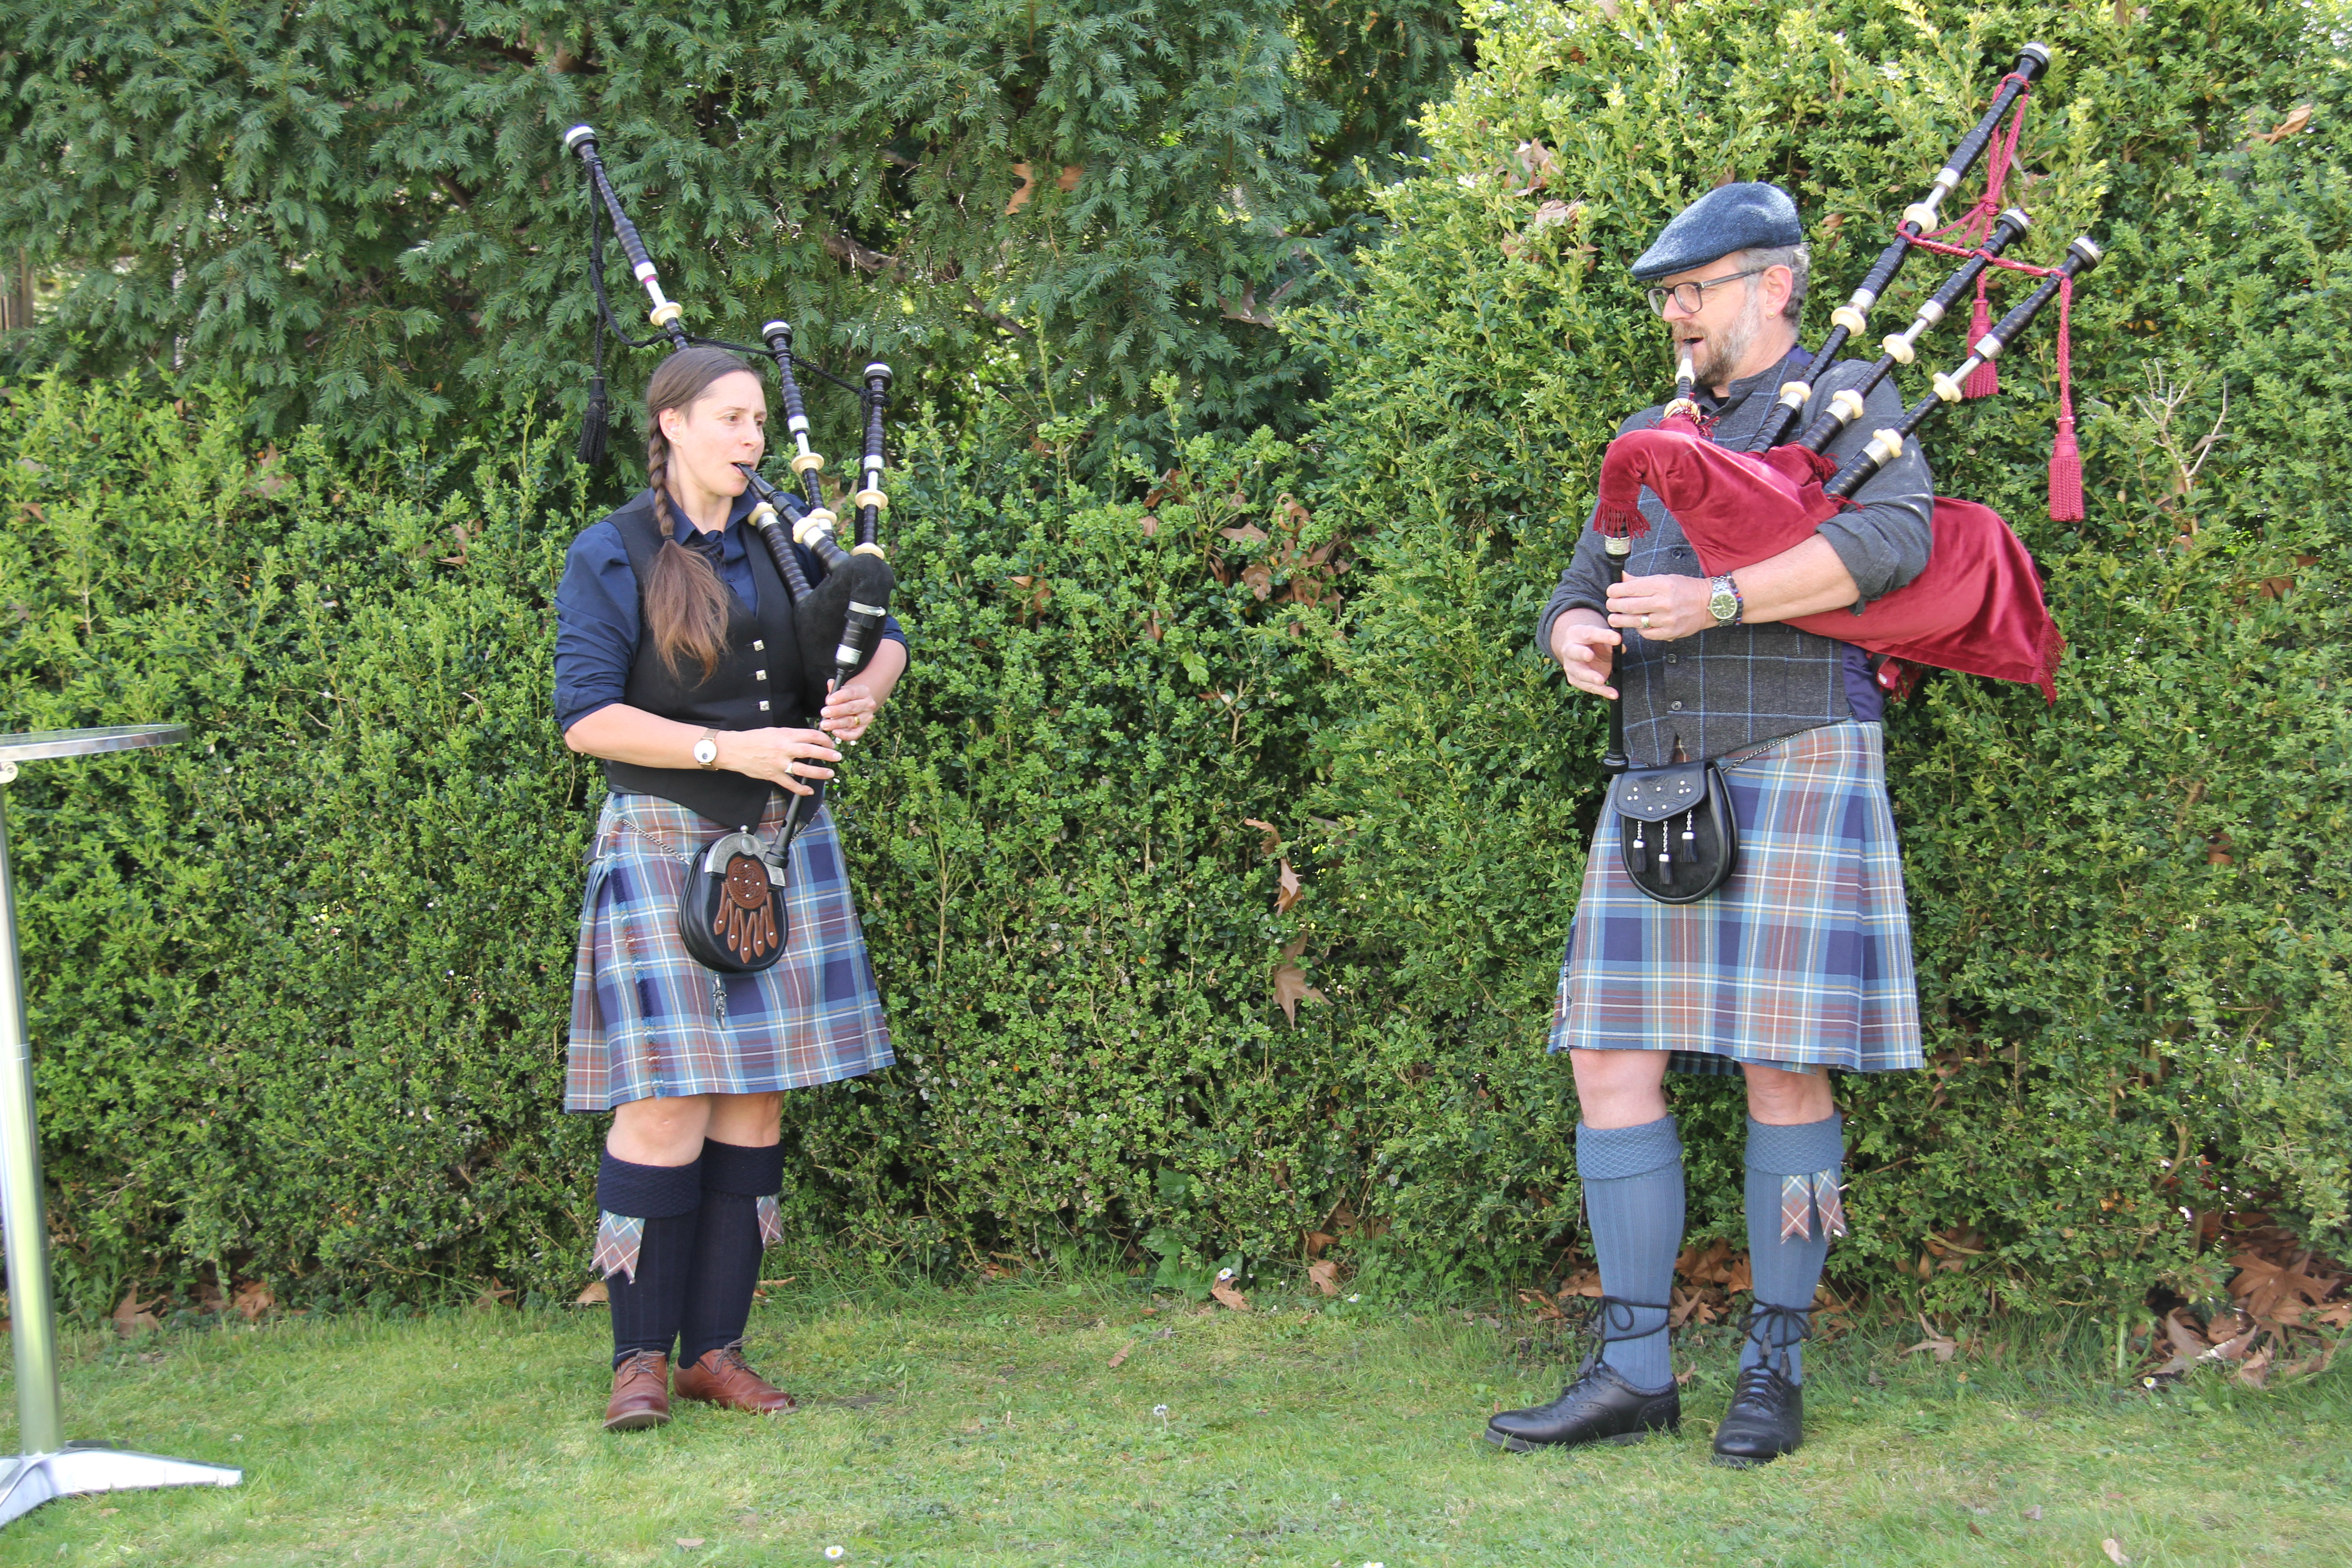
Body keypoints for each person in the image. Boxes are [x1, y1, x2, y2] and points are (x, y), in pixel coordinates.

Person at [1485, 184, 1932, 1466]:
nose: (1675, 313)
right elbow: (1585, 582)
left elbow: (1894, 544)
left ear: (1774, 287)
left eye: (1695, 289)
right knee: (1607, 1057)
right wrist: (1575, 633)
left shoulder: (1854, 409)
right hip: (1660, 773)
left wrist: (1723, 598)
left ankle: (1775, 1367)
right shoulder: (1649, 433)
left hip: (1800, 754)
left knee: (1785, 1070)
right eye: (1668, 296)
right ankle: (1635, 1369)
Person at [554, 345, 906, 1431]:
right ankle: (638, 1363)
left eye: (760, 420)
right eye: (731, 419)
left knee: (755, 1097)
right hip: (666, 837)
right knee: (663, 1101)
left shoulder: (781, 540)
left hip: (781, 844)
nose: (754, 439)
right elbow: (587, 718)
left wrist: (863, 697)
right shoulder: (611, 552)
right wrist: (733, 756)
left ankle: (715, 1351)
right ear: (671, 425)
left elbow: (880, 634)